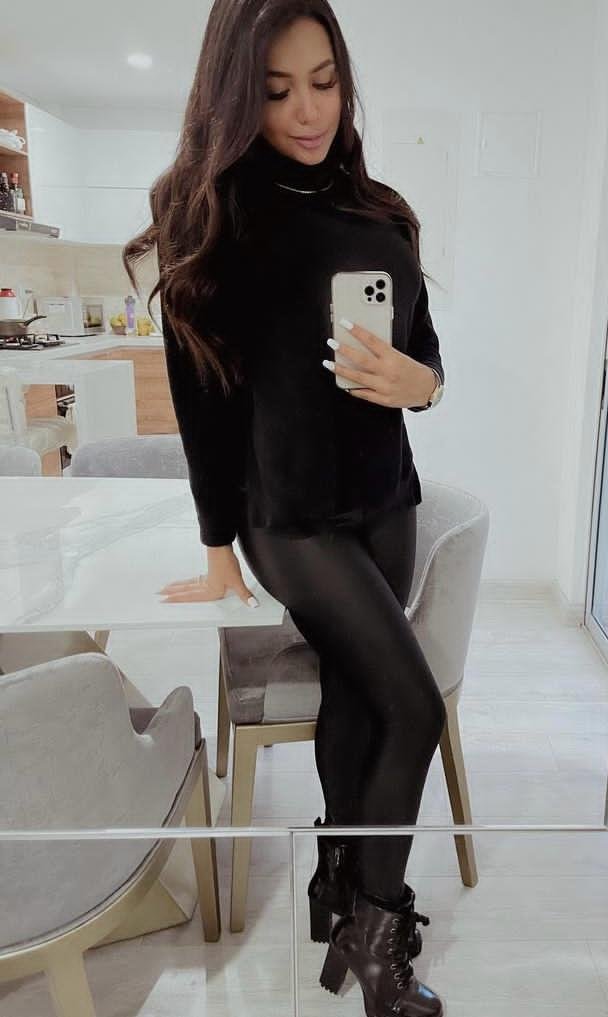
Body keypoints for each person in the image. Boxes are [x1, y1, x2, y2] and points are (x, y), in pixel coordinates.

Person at [122, 2, 446, 1014]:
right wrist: (218, 542)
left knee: (358, 694)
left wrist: (421, 385)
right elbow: (201, 403)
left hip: (385, 494)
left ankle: (336, 891)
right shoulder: (212, 217)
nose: (308, 111)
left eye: (324, 82)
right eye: (275, 91)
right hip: (290, 513)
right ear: (234, 97)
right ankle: (380, 944)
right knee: (415, 706)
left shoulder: (383, 212)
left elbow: (426, 353)